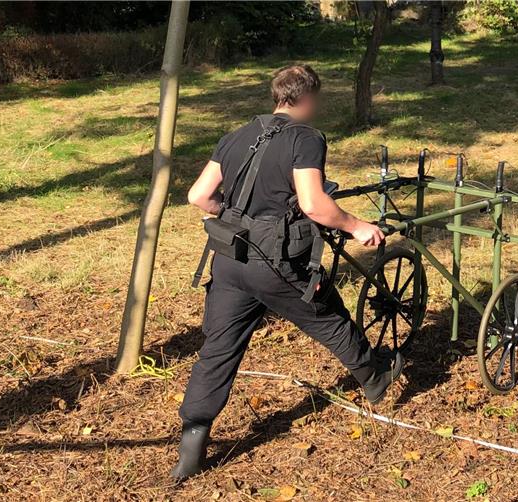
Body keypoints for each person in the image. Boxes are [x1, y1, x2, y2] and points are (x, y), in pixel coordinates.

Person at [170, 65, 404, 480]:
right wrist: (357, 226)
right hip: (275, 262)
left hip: (229, 259)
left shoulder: (236, 134)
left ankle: (192, 442)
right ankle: (376, 377)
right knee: (327, 317)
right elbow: (314, 204)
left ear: (276, 96)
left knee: (218, 349)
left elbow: (198, 196)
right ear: (309, 98)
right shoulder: (306, 139)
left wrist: (234, 215)